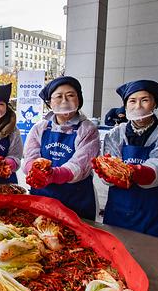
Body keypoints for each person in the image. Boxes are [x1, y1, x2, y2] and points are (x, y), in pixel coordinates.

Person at [94, 80, 158, 241]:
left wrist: (127, 171)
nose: (138, 106)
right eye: (132, 101)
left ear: (155, 104)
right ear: (126, 106)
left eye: (145, 100)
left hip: (154, 213)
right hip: (118, 210)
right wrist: (108, 172)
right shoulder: (115, 134)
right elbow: (109, 171)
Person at [23, 76, 100, 220]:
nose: (64, 101)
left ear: (79, 99)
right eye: (58, 96)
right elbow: (29, 157)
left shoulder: (88, 129)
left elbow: (81, 165)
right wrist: (33, 170)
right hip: (42, 196)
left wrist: (53, 175)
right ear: (49, 102)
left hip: (76, 199)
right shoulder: (40, 128)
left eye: (70, 95)